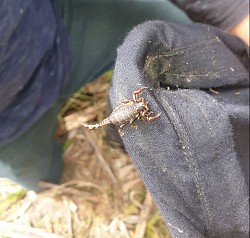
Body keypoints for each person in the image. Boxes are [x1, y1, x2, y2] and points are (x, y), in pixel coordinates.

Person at [0, 0, 249, 237]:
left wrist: (232, 13)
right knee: (43, 178)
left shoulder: (136, 103)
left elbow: (137, 103)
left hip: (50, 24)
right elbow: (139, 113)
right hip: (10, 124)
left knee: (176, 33)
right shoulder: (138, 112)